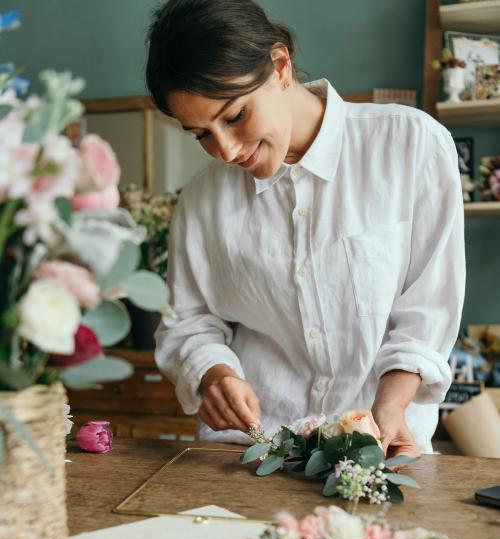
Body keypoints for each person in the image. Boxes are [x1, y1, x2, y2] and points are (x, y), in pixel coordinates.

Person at [146, 0, 465, 456]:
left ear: (280, 65)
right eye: (201, 134)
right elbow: (188, 322)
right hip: (245, 452)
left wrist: (389, 409)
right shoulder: (201, 199)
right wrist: (214, 373)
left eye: (235, 116)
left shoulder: (411, 145)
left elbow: (428, 308)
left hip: (383, 448)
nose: (227, 150)